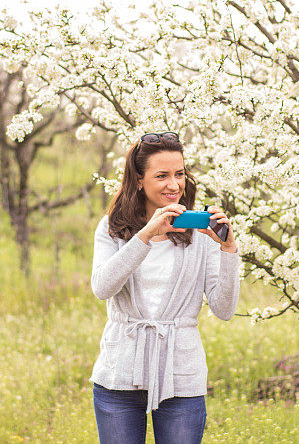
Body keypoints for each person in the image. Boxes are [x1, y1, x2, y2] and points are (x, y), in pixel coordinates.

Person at [89, 131, 241, 444]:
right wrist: (145, 236)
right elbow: (102, 287)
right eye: (162, 176)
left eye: (179, 174)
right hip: (119, 373)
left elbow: (224, 310)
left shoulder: (201, 232)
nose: (174, 185)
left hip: (180, 375)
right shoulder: (112, 228)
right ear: (139, 180)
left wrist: (228, 250)